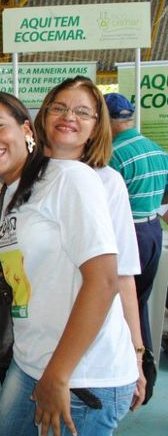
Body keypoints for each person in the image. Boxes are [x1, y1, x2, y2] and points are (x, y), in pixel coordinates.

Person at [0, 91, 136, 436]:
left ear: (26, 129)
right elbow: (12, 276)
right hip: (29, 361)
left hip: (81, 374)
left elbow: (103, 281)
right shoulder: (10, 191)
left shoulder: (69, 178)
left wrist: (58, 374)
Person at [34, 77, 146, 410]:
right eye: (60, 107)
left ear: (97, 128)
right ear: (44, 115)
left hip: (88, 364)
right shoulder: (26, 178)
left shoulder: (107, 182)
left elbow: (121, 276)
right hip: (31, 352)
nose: (69, 116)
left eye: (83, 112)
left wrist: (137, 353)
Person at [105, 92, 168, 401]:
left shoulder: (114, 155)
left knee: (121, 306)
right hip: (153, 231)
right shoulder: (156, 150)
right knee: (140, 303)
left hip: (127, 236)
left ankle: (133, 373)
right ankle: (148, 375)